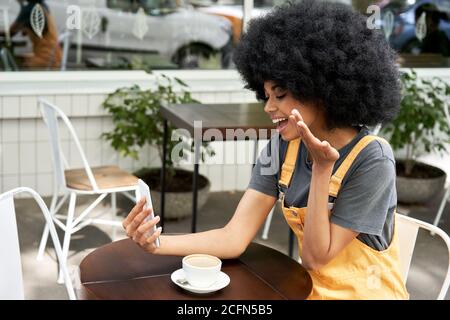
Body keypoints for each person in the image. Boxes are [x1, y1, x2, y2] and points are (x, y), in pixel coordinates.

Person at [123, 0, 409, 299]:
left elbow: (315, 257)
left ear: (321, 90)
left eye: (280, 95)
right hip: (309, 292)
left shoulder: (372, 159)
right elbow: (234, 236)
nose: (269, 107)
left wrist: (322, 169)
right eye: (266, 94)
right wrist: (157, 243)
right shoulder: (284, 148)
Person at [1, 0, 61, 69]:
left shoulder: (30, 9)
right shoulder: (43, 6)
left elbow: (9, 33)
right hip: (55, 56)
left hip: (45, 59)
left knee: (16, 60)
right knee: (20, 57)